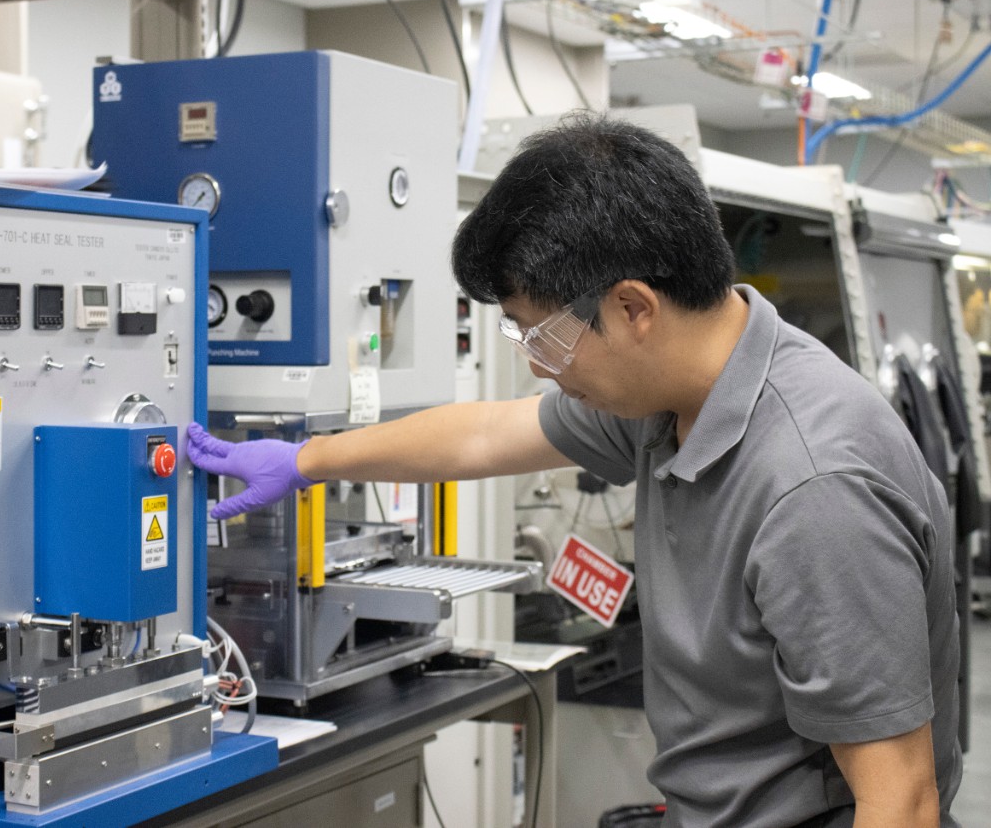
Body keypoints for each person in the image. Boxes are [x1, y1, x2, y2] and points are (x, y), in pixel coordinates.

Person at [186, 113, 962, 828]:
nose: (540, 368)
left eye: (542, 338)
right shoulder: (670, 397)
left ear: (633, 308)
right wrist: (301, 458)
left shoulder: (813, 485)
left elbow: (902, 796)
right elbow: (488, 435)